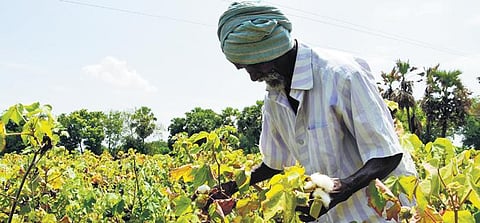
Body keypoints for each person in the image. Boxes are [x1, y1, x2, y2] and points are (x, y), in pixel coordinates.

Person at [213, 2, 417, 222]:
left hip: (379, 216)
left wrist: (341, 188)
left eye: (254, 66)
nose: (253, 77)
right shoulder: (274, 97)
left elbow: (387, 154)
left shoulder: (342, 75)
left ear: (272, 49)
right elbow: (275, 163)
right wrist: (230, 187)